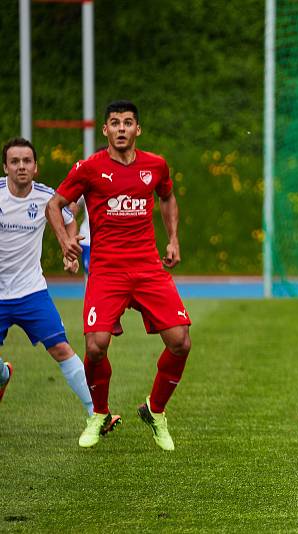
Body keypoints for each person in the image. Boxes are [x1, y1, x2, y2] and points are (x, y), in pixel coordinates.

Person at [46, 100, 191, 451]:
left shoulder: (155, 165)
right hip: (107, 270)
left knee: (180, 341)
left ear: (137, 129)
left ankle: (155, 411)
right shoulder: (90, 168)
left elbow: (167, 197)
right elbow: (55, 204)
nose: (122, 128)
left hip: (148, 268)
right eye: (115, 123)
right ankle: (98, 414)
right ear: (106, 130)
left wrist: (172, 238)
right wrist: (65, 241)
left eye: (128, 123)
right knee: (95, 347)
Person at [0, 138, 117, 431]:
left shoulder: (45, 196)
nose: (21, 167)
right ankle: (3, 374)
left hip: (31, 292)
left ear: (36, 167)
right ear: (5, 168)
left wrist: (69, 247)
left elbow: (68, 215)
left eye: (27, 161)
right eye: (15, 162)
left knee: (61, 348)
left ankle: (97, 413)